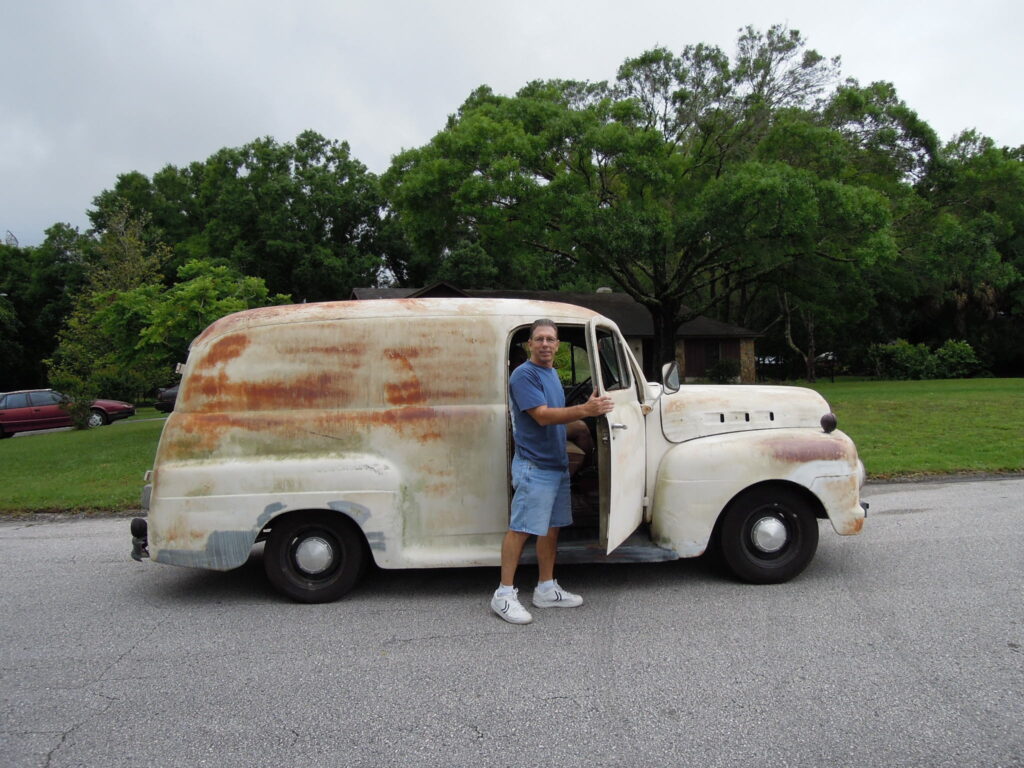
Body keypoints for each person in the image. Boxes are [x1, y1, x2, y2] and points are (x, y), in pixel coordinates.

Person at [491, 319, 615, 624]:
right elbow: (544, 417)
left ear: (557, 346)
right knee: (521, 529)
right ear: (529, 344)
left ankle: (546, 588)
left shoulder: (552, 374)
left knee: (551, 528)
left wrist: (582, 424)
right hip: (535, 466)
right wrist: (586, 411)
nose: (545, 344)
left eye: (550, 339)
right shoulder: (524, 376)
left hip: (555, 465)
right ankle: (503, 595)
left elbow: (559, 419)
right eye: (539, 339)